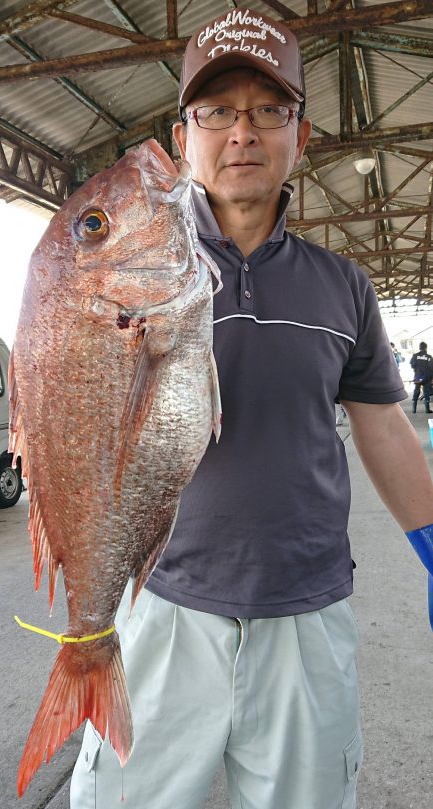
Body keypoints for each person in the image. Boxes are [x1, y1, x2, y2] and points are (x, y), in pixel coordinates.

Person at [71, 8, 433, 809]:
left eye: (270, 110)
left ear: (299, 137)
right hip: (163, 604)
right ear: (184, 134)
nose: (244, 132)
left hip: (307, 611)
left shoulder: (343, 285)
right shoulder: (132, 271)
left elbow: (382, 425)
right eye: (218, 112)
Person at [410, 341, 433, 413]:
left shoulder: (415, 356)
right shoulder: (429, 357)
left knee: (416, 391)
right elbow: (432, 367)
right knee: (426, 392)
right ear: (426, 348)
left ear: (419, 348)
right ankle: (427, 409)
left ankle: (414, 409)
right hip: (427, 377)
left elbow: (412, 365)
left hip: (418, 376)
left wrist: (417, 371)